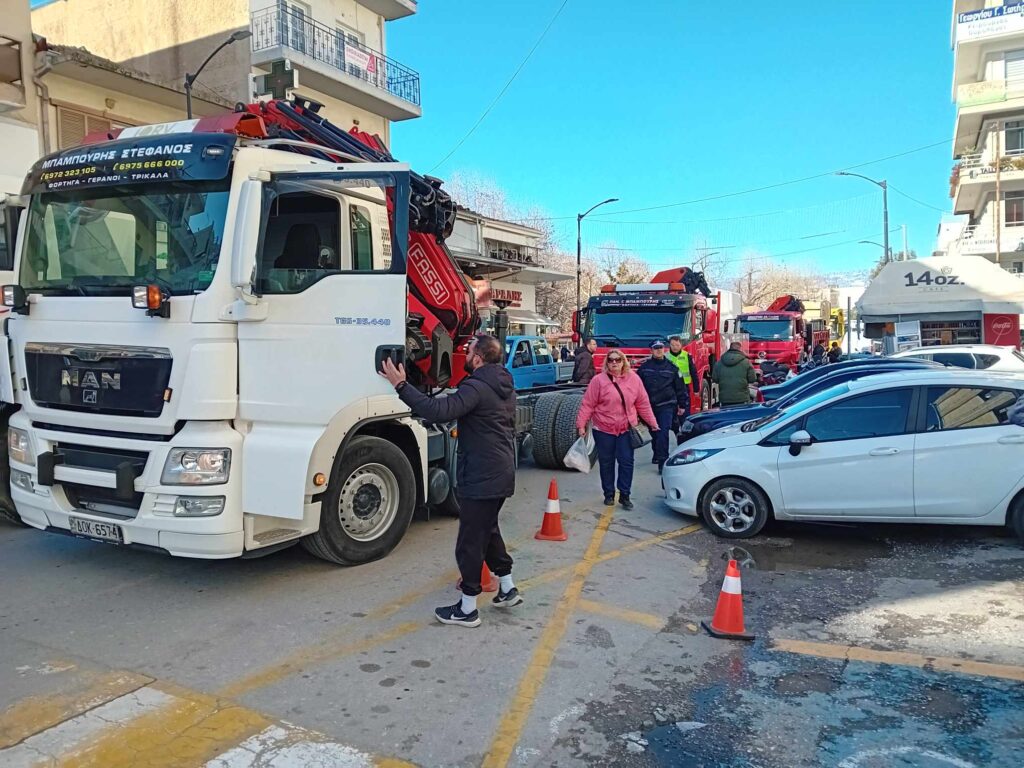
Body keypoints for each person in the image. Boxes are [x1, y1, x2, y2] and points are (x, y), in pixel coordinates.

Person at [379, 334, 521, 628]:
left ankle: (468, 608)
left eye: (468, 351)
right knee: (488, 530)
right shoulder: (503, 383)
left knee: (470, 540)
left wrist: (401, 385)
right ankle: (507, 588)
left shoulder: (477, 386)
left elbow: (438, 412)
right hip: (501, 470)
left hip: (482, 474)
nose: (464, 354)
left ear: (479, 358)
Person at [576, 351, 659, 509]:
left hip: (626, 429)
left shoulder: (634, 380)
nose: (614, 363)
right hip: (604, 429)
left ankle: (625, 495)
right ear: (607, 363)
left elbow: (643, 403)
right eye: (611, 360)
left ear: (624, 362)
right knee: (606, 463)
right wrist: (581, 425)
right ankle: (609, 494)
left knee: (626, 462)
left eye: (618, 360)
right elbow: (588, 404)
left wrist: (652, 423)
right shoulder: (598, 381)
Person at [636, 340, 688, 473]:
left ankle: (662, 461)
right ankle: (656, 454)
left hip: (667, 405)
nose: (659, 350)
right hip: (649, 406)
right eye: (656, 348)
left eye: (661, 348)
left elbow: (680, 388)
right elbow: (636, 388)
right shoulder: (644, 368)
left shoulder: (672, 368)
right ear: (651, 350)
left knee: (663, 432)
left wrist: (682, 405)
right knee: (654, 432)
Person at [712, 341, 757, 406]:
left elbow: (715, 379)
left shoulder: (719, 362)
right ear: (740, 349)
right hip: (742, 398)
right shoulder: (746, 362)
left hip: (725, 398)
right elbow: (752, 379)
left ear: (730, 348)